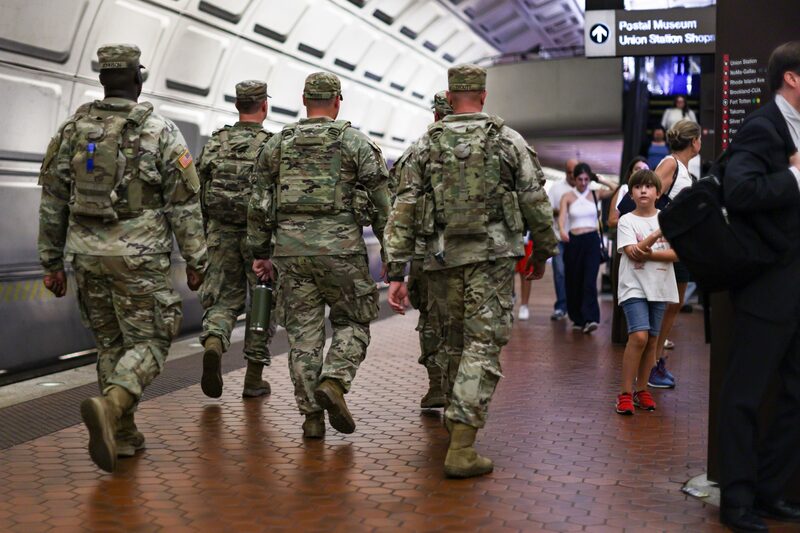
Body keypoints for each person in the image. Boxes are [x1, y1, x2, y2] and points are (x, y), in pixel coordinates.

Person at [38, 44, 208, 472]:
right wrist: (196, 260)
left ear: (101, 79)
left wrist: (51, 262)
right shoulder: (160, 131)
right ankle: (112, 405)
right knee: (151, 338)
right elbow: (184, 206)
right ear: (139, 79)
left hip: (85, 256)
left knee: (110, 342)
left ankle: (125, 434)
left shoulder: (72, 130)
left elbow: (53, 200)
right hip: (139, 258)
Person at [384, 64, 558, 478]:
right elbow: (534, 199)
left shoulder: (425, 145)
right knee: (482, 344)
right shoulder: (507, 139)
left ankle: (454, 417)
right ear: (482, 95)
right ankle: (461, 445)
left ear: (450, 94)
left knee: (452, 341)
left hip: (441, 261)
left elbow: (403, 210)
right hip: (492, 260)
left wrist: (395, 271)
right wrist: (543, 251)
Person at [248, 72, 391, 439]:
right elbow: (382, 206)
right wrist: (393, 255)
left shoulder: (277, 144)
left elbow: (260, 205)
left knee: (303, 337)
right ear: (337, 101)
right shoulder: (356, 143)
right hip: (342, 251)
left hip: (290, 255)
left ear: (303, 99)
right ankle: (335, 381)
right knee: (354, 321)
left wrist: (261, 252)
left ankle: (311, 416)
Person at [717, 41, 800, 533]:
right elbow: (739, 189)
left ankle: (770, 490)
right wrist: (793, 175)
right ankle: (737, 501)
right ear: (793, 78)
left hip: (796, 287)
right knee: (744, 396)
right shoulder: (763, 126)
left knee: (796, 395)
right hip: (768, 289)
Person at [196, 80, 273, 399]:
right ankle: (253, 379)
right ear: (264, 107)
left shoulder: (216, 142)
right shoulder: (272, 144)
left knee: (223, 300)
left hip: (220, 233)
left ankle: (214, 341)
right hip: (260, 238)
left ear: (238, 105)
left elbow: (199, 191)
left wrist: (204, 237)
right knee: (262, 299)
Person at [388, 90, 452, 409]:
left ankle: (437, 385)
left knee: (429, 319)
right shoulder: (491, 144)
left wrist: (396, 270)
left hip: (426, 253)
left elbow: (400, 209)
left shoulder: (418, 151)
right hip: (475, 253)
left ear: (436, 116)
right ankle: (463, 390)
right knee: (467, 318)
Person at [614, 169, 678, 415]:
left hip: (660, 287)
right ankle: (625, 393)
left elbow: (676, 254)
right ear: (631, 194)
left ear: (658, 193)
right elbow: (633, 252)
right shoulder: (626, 221)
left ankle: (642, 390)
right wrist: (656, 234)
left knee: (652, 340)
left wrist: (650, 252)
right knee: (639, 337)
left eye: (648, 187)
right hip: (634, 287)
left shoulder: (668, 218)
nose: (643, 190)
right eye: (638, 187)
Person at [648, 119, 701, 388]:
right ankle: (649, 364)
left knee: (675, 303)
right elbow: (648, 196)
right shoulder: (671, 164)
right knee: (663, 304)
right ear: (694, 142)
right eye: (699, 138)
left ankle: (655, 362)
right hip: (664, 245)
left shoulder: (689, 174)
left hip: (681, 248)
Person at [557, 162, 614, 333]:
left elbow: (617, 189)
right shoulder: (567, 196)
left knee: (589, 280)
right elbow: (561, 217)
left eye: (586, 179)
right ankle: (577, 317)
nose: (583, 183)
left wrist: (600, 179)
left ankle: (591, 318)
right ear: (574, 179)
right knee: (574, 279)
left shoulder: (596, 193)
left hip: (591, 240)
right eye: (580, 179)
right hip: (574, 240)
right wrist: (561, 230)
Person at [547, 158, 577, 321]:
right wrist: (563, 210)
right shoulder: (557, 188)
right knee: (560, 272)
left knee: (576, 273)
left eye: (575, 171)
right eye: (569, 172)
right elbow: (547, 209)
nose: (572, 175)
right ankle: (561, 306)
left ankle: (575, 307)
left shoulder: (584, 187)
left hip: (578, 237)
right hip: (559, 237)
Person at [607, 156, 649, 230]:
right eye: (637, 169)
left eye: (645, 169)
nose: (641, 172)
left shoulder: (653, 192)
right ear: (630, 173)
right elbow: (612, 221)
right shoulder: (624, 189)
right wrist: (635, 221)